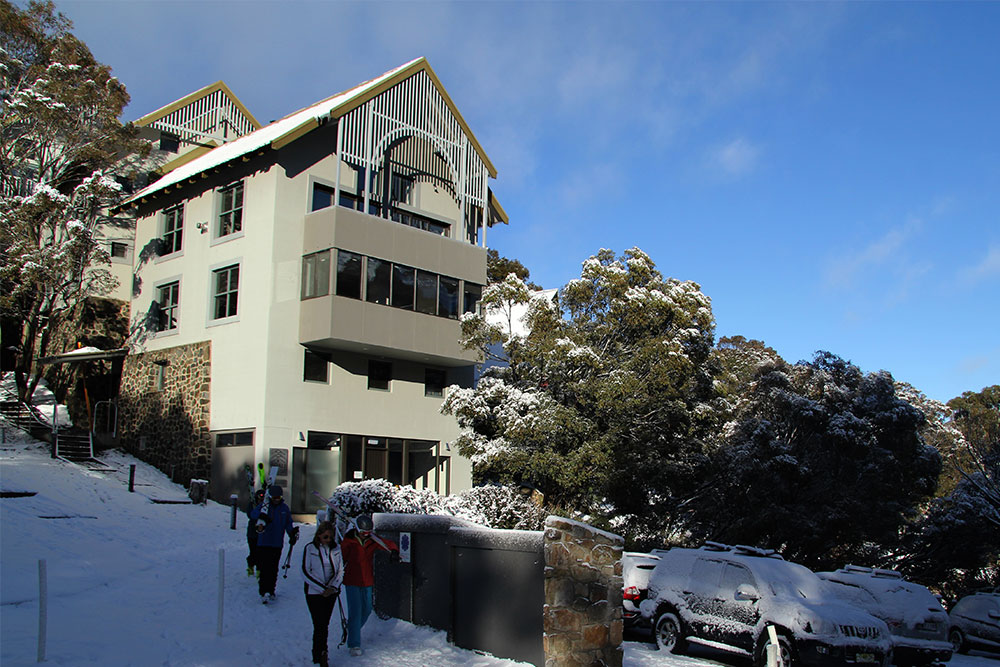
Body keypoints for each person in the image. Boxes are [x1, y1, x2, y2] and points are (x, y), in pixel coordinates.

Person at [341, 514, 397, 657]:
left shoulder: (373, 541)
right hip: (352, 580)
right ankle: (354, 644)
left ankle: (352, 629)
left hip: (367, 580)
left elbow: (387, 544)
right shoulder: (349, 541)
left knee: (366, 610)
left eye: (368, 533)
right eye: (364, 533)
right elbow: (340, 557)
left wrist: (394, 551)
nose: (366, 535)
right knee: (355, 611)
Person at [301, 521, 344, 667]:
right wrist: (321, 588)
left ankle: (320, 653)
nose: (328, 540)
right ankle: (320, 653)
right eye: (325, 537)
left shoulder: (336, 549)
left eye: (330, 537)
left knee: (324, 623)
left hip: (331, 592)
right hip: (314, 592)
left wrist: (333, 587)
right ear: (319, 536)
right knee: (319, 624)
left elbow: (340, 570)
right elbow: (305, 571)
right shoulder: (310, 548)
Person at [250, 485, 298, 604]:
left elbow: (288, 523)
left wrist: (291, 533)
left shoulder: (284, 508)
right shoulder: (265, 506)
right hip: (263, 542)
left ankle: (271, 590)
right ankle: (263, 591)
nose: (277, 499)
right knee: (263, 567)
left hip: (276, 543)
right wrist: (261, 516)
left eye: (279, 497)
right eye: (275, 497)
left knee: (273, 568)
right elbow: (253, 514)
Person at [245, 488, 265, 577]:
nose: (261, 499)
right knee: (253, 552)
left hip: (262, 534)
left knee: (261, 552)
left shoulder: (266, 506)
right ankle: (251, 565)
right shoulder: (252, 505)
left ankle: (259, 569)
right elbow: (250, 515)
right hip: (252, 533)